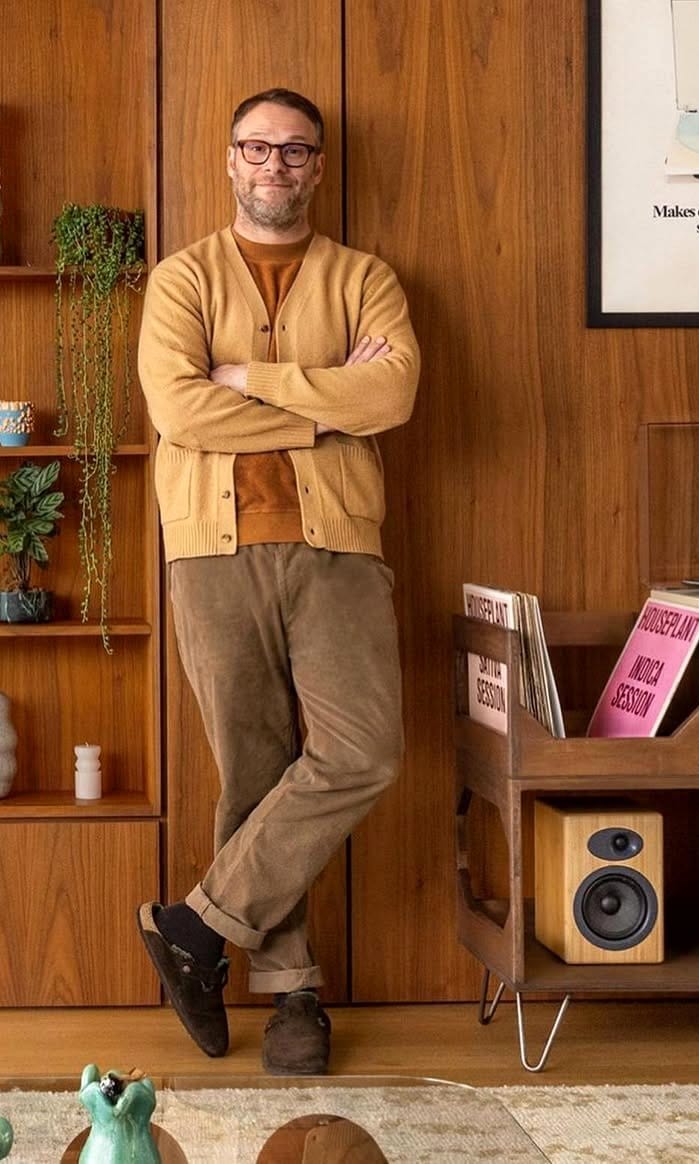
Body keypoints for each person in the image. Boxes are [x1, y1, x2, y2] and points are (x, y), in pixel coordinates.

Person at [136, 88, 419, 1075]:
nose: (276, 166)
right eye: (258, 148)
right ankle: (292, 992)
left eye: (296, 152)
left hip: (338, 547)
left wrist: (250, 384)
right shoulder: (181, 280)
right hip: (210, 554)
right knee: (254, 772)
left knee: (365, 751)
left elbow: (394, 391)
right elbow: (179, 409)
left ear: (318, 167)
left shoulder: (364, 278)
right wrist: (320, 409)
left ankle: (199, 929)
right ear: (229, 160)